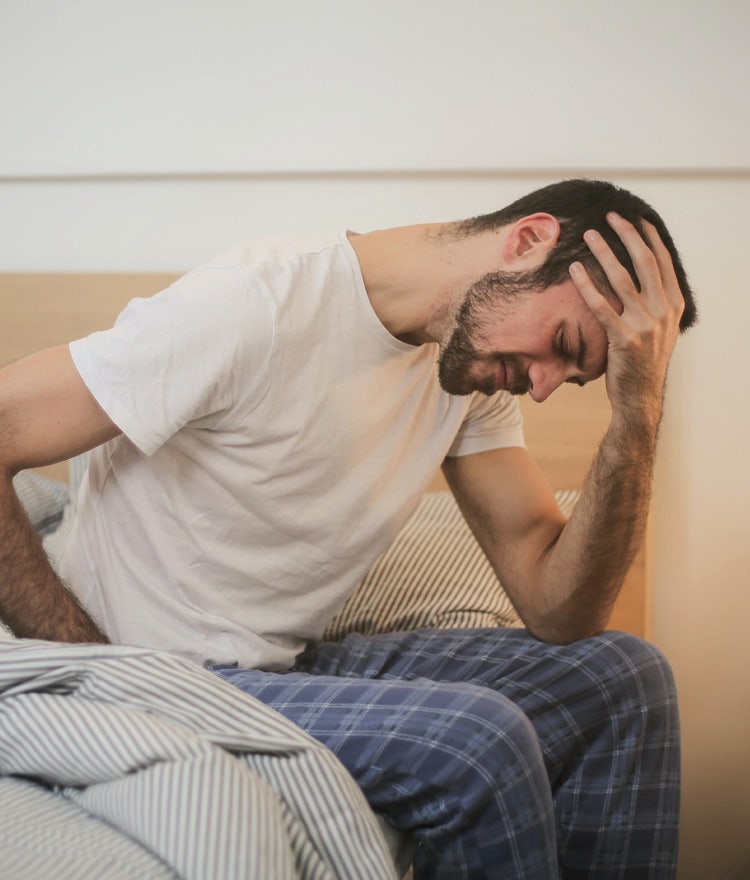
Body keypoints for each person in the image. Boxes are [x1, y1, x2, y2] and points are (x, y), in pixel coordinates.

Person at [0, 178, 696, 878]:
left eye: (572, 378)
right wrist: (99, 667)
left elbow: (559, 609)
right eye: (563, 343)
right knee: (477, 743)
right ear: (527, 240)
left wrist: (636, 410)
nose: (542, 386)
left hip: (278, 669)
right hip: (164, 669)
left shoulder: (469, 372)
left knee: (622, 678)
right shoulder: (256, 304)